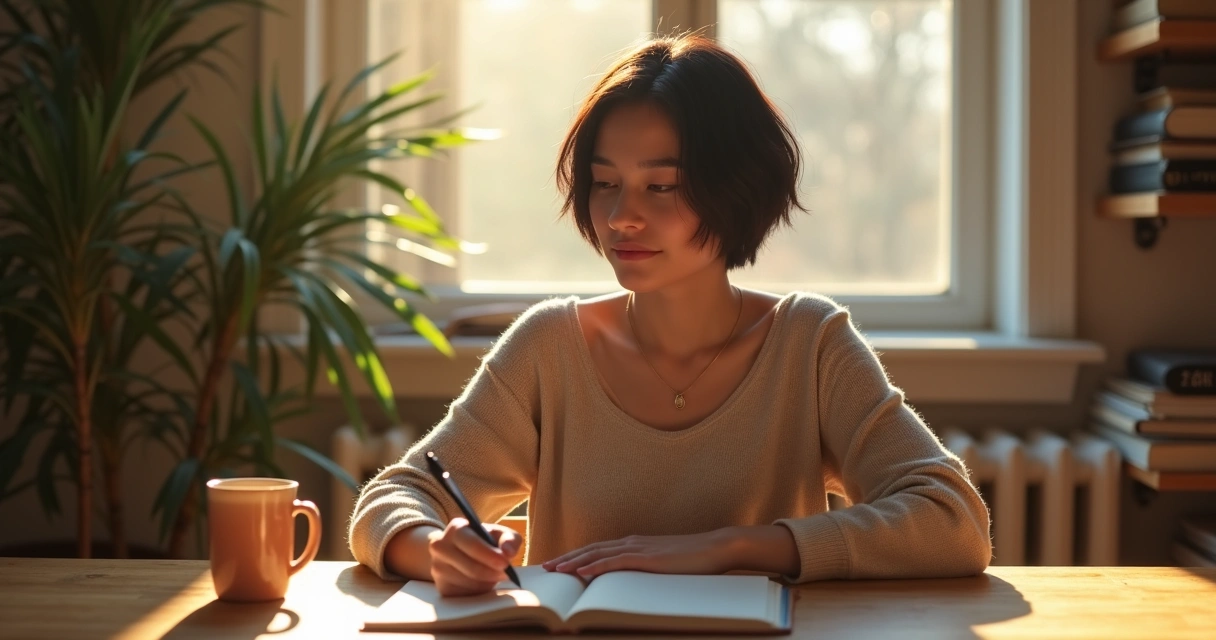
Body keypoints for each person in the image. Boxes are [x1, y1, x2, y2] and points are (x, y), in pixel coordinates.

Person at [349, 33, 992, 596]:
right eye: (605, 183)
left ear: (737, 189)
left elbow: (952, 520)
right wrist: (437, 549)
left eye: (662, 186)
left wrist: (731, 547)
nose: (622, 216)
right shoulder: (551, 346)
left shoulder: (809, 344)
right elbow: (393, 499)